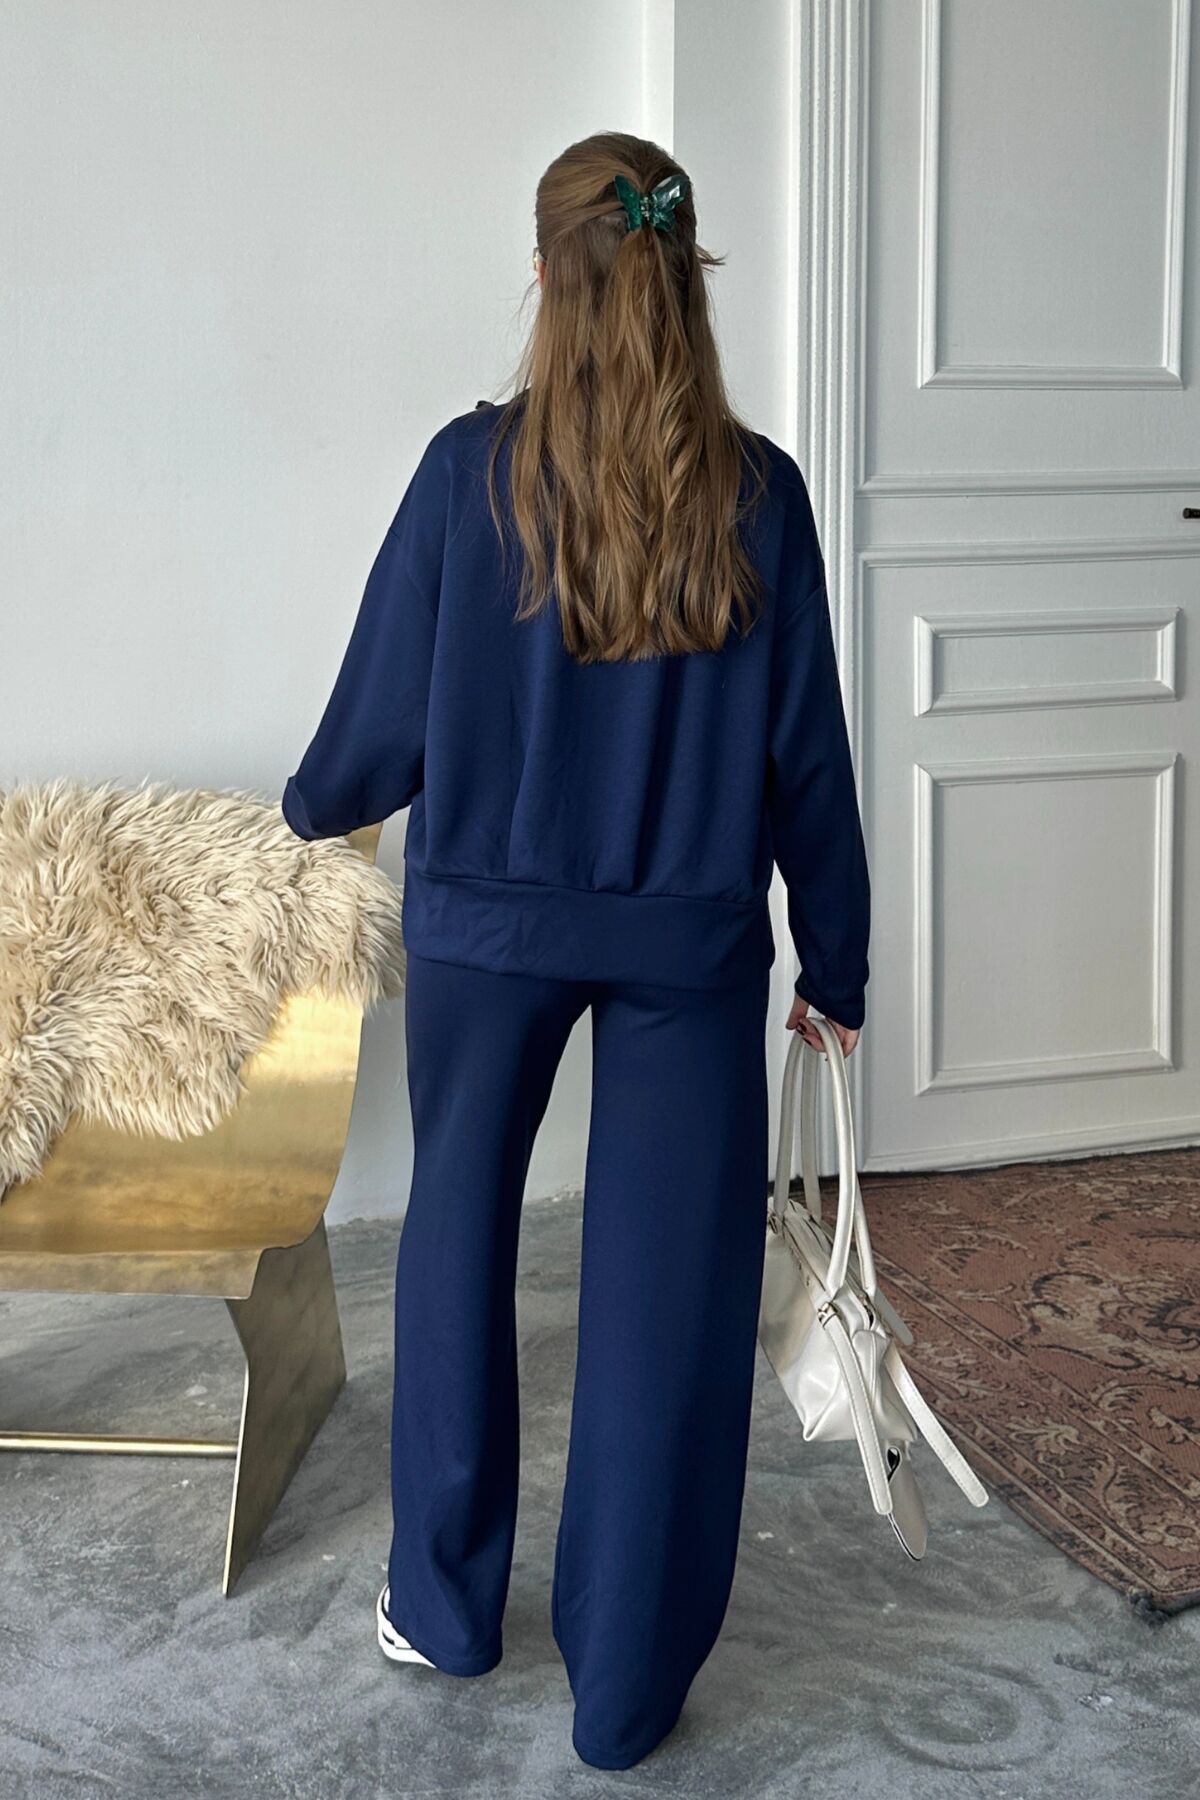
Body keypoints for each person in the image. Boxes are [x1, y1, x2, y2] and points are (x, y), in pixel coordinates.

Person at [281, 130, 870, 1772]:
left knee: (458, 1235)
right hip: (689, 938)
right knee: (671, 1288)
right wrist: (837, 961)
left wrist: (314, 804)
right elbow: (806, 762)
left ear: (545, 275)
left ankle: (444, 1607)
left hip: (486, 928)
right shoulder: (761, 495)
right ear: (686, 277)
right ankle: (626, 1685)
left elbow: (376, 727)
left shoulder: (464, 474)